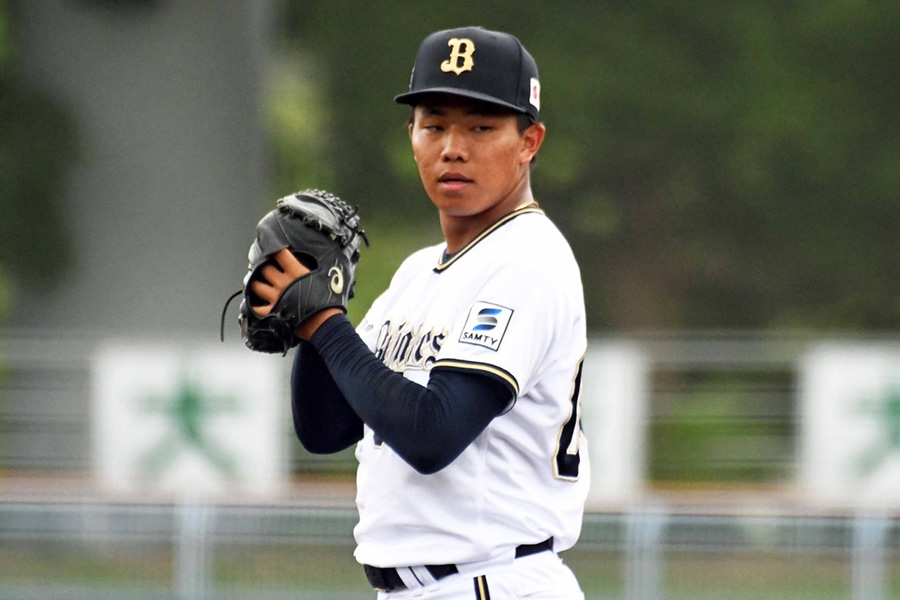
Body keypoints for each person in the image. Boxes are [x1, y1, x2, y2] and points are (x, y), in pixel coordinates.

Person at [251, 26, 590, 599]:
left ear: (529, 140)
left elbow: (433, 433)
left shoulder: (526, 259)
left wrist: (326, 323)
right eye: (434, 124)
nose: (453, 147)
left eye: (481, 127)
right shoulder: (415, 275)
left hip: (493, 582)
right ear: (411, 134)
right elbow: (326, 429)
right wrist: (315, 316)